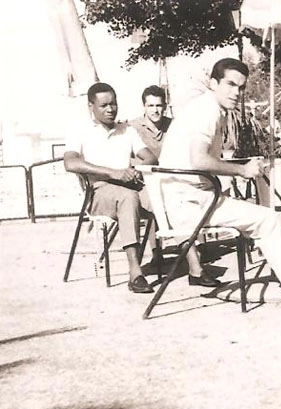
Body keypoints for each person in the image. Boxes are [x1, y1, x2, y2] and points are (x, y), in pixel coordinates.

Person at [158, 57, 281, 309]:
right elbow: (199, 160)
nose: (236, 93)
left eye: (241, 87)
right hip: (189, 203)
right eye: (230, 84)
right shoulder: (206, 111)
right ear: (213, 83)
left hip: (196, 197)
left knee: (265, 218)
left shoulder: (209, 109)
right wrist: (242, 170)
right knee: (267, 219)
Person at [64, 82, 218, 294]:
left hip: (130, 184)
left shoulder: (126, 130)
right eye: (104, 105)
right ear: (91, 106)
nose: (110, 109)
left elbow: (150, 157)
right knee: (128, 198)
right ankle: (135, 273)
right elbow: (70, 163)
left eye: (114, 104)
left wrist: (136, 168)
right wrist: (112, 172)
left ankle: (195, 268)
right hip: (99, 191)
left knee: (166, 197)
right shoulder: (80, 130)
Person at [129, 85, 172, 159]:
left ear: (165, 106)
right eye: (151, 106)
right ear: (143, 106)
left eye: (159, 106)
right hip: (141, 170)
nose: (155, 110)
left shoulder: (173, 126)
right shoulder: (131, 128)